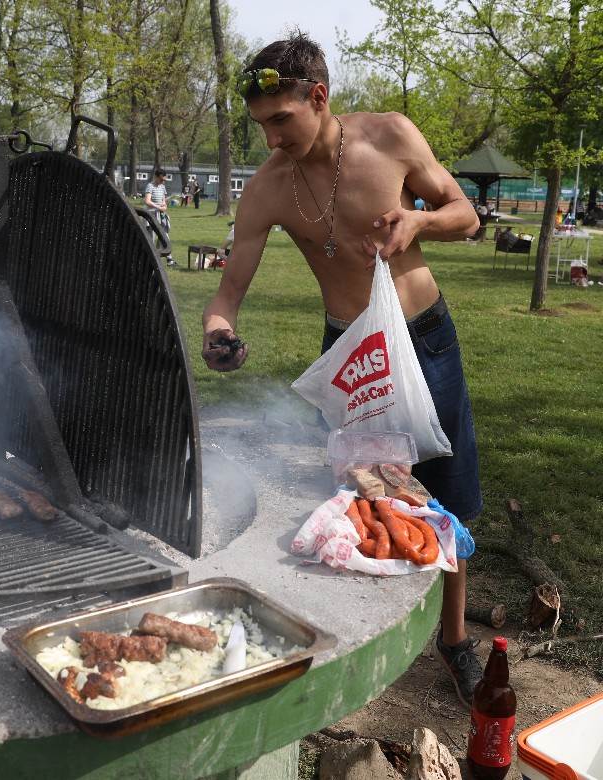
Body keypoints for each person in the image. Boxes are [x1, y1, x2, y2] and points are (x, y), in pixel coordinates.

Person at [201, 34, 483, 706]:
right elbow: (228, 290)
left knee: (451, 493)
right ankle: (365, 642)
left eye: (281, 120)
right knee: (366, 497)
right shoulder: (268, 189)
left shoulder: (389, 138)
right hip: (353, 353)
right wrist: (218, 329)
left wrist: (416, 223)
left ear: (318, 98)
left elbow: (465, 214)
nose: (270, 139)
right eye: (260, 124)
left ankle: (453, 637)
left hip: (424, 338)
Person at [144, 168, 176, 266]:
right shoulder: (150, 186)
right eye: (161, 179)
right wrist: (158, 207)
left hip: (161, 215)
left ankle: (169, 260)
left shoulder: (162, 187)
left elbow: (163, 200)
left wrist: (164, 205)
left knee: (165, 236)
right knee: (152, 239)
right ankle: (150, 261)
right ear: (156, 177)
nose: (163, 181)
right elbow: (147, 201)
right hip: (151, 215)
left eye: (164, 180)